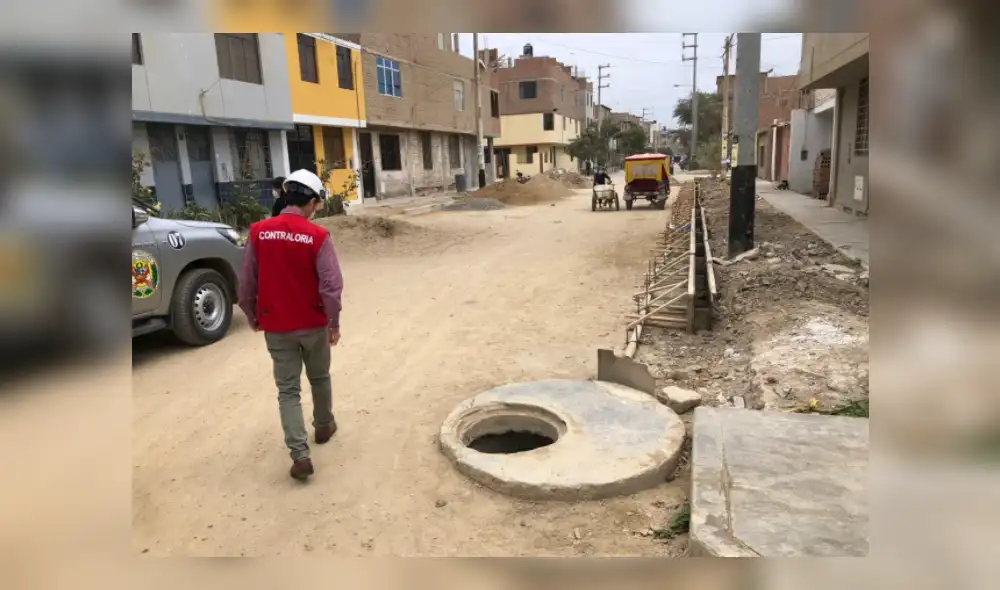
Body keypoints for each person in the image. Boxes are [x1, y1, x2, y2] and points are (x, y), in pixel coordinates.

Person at [238, 169, 344, 481]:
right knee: (320, 376)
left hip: (277, 326)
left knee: (288, 391)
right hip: (313, 324)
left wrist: (252, 315)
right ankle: (323, 426)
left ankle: (299, 454)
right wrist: (334, 323)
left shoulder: (258, 232)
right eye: (316, 204)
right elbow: (331, 287)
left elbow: (245, 284)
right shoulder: (317, 236)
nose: (315, 211)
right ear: (310, 201)